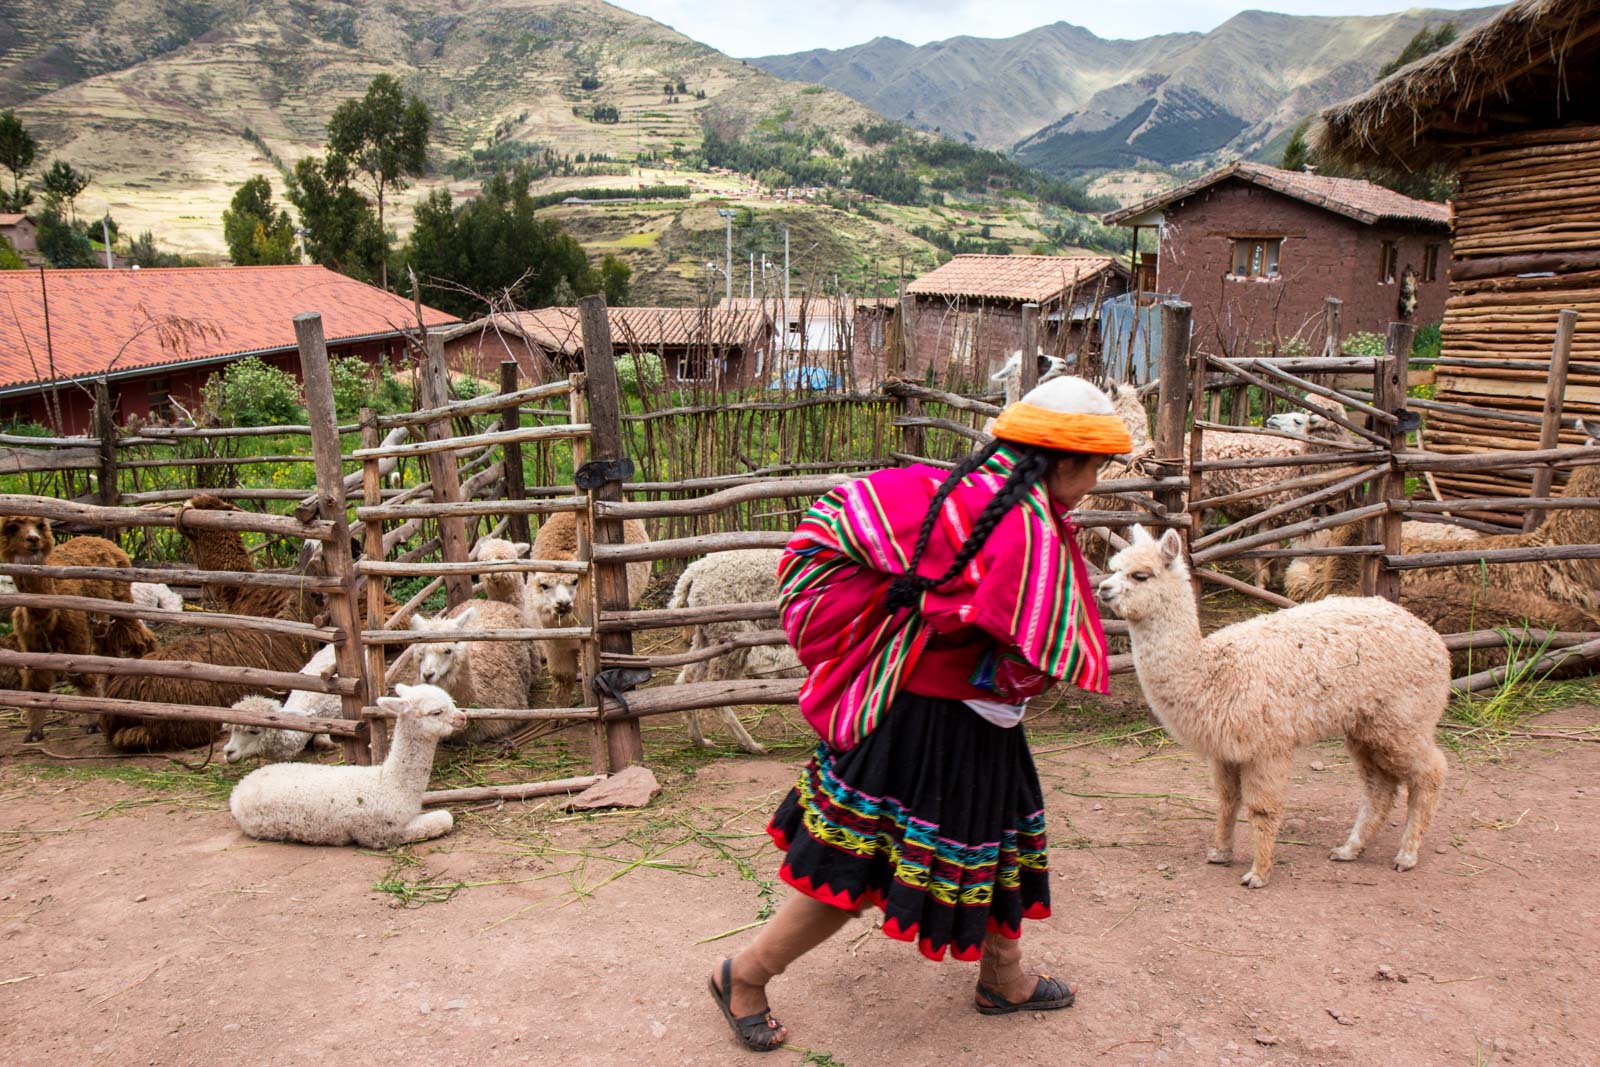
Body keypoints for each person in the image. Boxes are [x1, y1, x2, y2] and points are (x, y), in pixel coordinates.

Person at [707, 375, 1135, 1051]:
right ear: (1066, 462)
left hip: (973, 722)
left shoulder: (959, 494)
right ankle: (745, 974)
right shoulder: (1023, 529)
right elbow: (1040, 642)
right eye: (1095, 469)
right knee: (853, 869)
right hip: (923, 729)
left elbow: (853, 526)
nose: (1094, 482)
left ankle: (1005, 974)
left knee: (1000, 847)